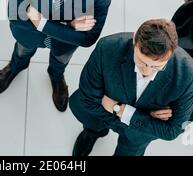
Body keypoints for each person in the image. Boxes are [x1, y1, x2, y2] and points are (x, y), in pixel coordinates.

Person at [70, 19, 193, 156]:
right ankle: (93, 133)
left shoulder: (187, 75)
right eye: (141, 62)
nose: (146, 72)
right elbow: (88, 97)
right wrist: (147, 118)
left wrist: (121, 110)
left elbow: (172, 131)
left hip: (138, 133)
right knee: (85, 112)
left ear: (172, 52)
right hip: (105, 115)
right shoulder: (107, 48)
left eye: (156, 67)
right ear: (134, 39)